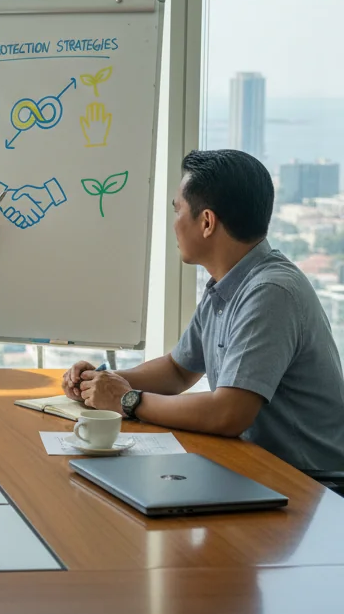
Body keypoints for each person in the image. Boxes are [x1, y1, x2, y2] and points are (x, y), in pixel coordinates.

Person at [63, 149, 344, 472]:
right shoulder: (228, 285)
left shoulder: (270, 292)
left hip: (312, 487)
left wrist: (128, 401)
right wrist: (100, 383)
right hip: (258, 469)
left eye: (178, 210)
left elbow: (229, 413)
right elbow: (177, 370)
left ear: (207, 222)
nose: (174, 224)